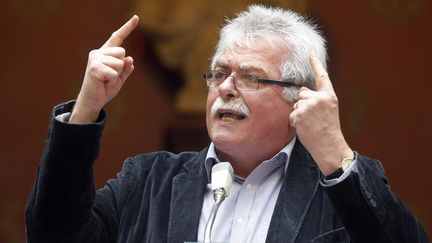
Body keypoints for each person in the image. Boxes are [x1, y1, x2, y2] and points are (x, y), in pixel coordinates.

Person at [25, 5, 428, 243]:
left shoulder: (345, 188)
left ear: (299, 96)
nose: (226, 89)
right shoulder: (148, 181)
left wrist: (336, 154)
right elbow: (53, 234)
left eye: (250, 77)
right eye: (219, 74)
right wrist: (85, 109)